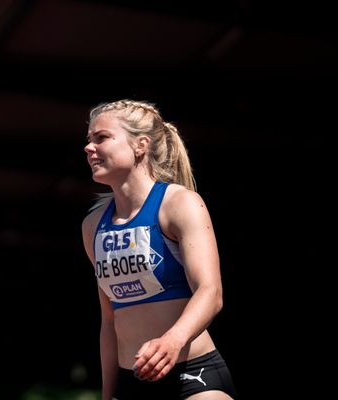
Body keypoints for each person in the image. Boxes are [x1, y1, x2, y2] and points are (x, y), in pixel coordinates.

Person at [81, 99, 238, 399]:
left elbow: (210, 292)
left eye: (101, 138)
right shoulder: (93, 226)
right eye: (88, 140)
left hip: (193, 374)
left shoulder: (179, 204)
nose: (89, 148)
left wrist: (171, 341)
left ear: (140, 145)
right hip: (132, 382)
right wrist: (107, 394)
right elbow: (109, 320)